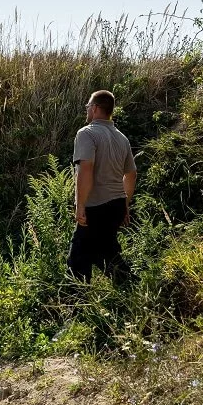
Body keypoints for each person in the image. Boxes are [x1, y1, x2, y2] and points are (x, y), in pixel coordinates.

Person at [67, 90, 137, 285]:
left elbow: (85, 170)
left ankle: (75, 308)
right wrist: (125, 205)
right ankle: (133, 289)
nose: (87, 110)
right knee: (105, 252)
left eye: (88, 106)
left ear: (96, 108)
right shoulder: (122, 138)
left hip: (96, 207)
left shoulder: (86, 133)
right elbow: (131, 174)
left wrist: (80, 205)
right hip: (116, 206)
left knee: (78, 260)